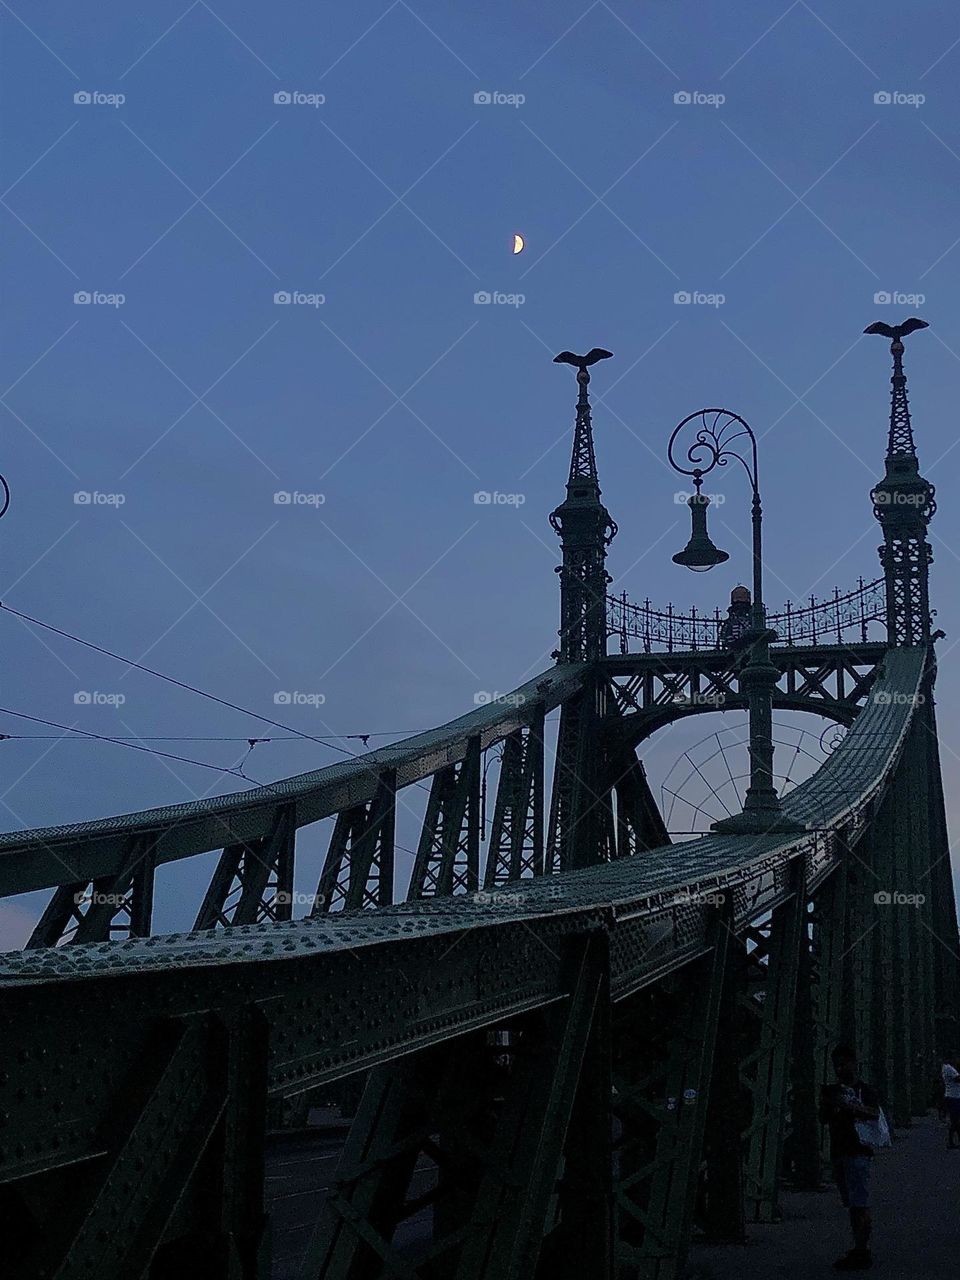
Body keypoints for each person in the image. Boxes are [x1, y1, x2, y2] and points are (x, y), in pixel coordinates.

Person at [819, 1044, 880, 1271]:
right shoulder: (833, 1091)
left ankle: (862, 1250)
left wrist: (849, 1106)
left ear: (853, 1063)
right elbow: (823, 1119)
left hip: (858, 1151)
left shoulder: (865, 1090)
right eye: (836, 1065)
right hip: (839, 1151)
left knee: (859, 1203)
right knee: (852, 1203)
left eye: (842, 1064)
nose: (838, 1069)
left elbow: (875, 1114)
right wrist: (828, 1104)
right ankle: (860, 1247)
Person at [942, 1055, 960, 1148]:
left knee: (955, 1120)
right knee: (955, 1120)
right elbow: (957, 1079)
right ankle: (950, 1141)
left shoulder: (947, 1068)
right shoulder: (949, 1068)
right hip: (954, 1097)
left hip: (953, 1096)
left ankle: (952, 1141)